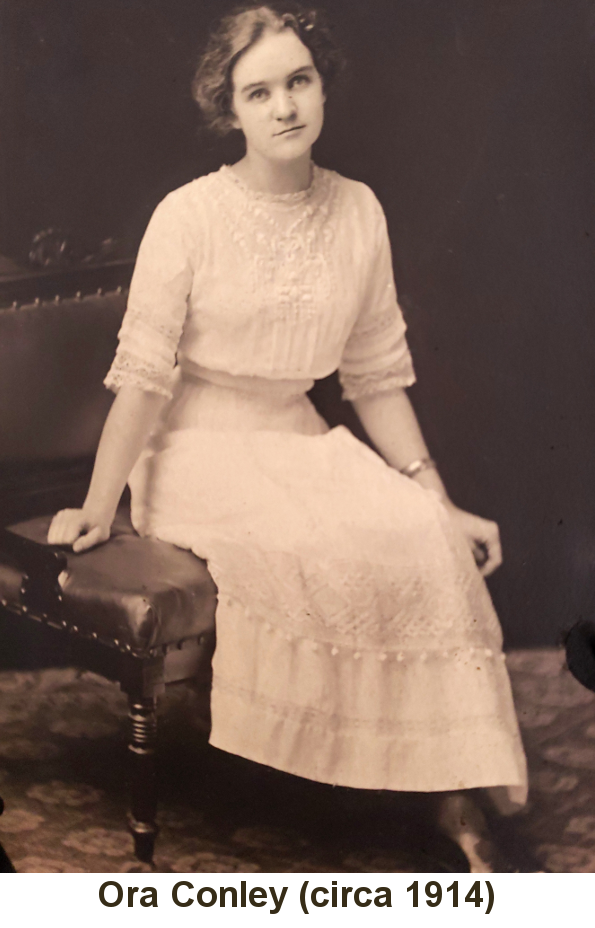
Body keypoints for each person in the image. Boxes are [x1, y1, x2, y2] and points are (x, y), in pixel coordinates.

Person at [48, 2, 528, 871]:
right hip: (194, 447)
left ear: (321, 87)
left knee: (419, 534)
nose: (284, 107)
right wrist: (97, 502)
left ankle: (450, 790)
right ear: (228, 109)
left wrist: (438, 498)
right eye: (258, 91)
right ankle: (332, 766)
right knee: (305, 543)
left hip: (299, 437)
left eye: (298, 81)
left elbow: (375, 376)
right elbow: (144, 381)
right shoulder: (187, 216)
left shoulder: (358, 211)